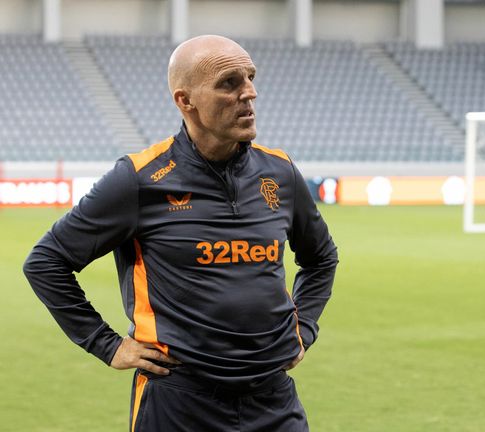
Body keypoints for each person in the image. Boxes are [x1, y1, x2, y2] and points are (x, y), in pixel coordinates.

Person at [23, 35, 338, 431]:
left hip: (272, 398)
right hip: (179, 401)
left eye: (251, 78)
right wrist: (107, 345)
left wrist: (303, 327)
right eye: (229, 83)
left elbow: (321, 257)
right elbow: (46, 262)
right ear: (185, 100)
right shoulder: (139, 179)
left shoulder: (280, 172)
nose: (250, 93)